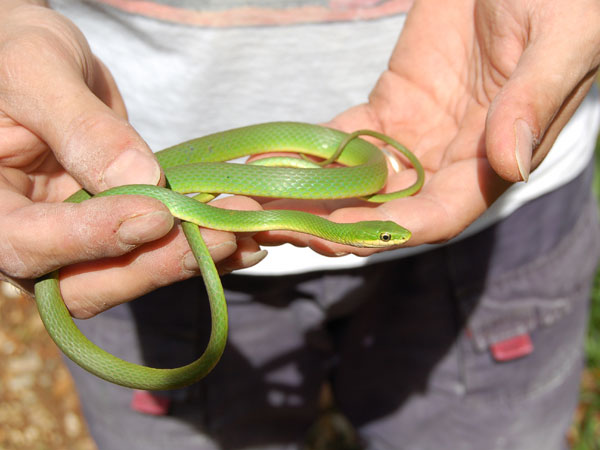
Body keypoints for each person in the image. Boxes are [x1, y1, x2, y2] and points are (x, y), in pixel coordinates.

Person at [1, 0, 599, 448]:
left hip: (500, 215)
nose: (391, 232)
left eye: (383, 232)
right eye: (382, 232)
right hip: (126, 139)